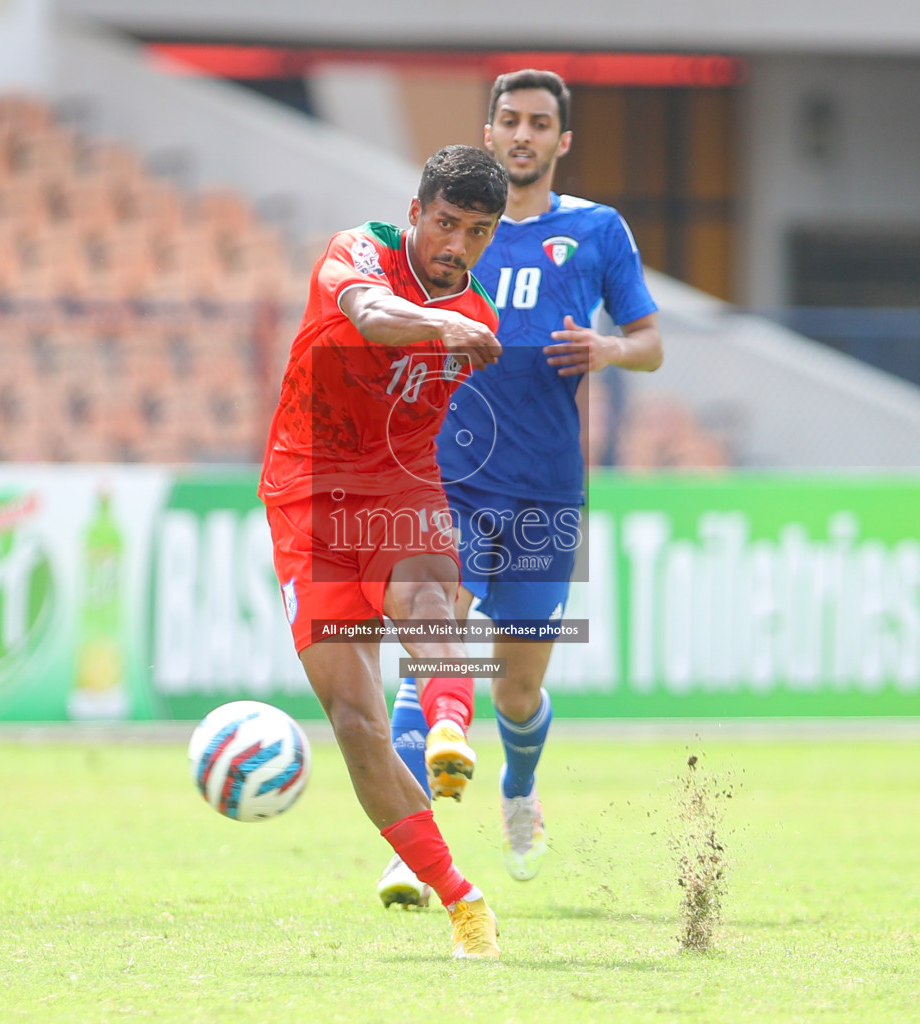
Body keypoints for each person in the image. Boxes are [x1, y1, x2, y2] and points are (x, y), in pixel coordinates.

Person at [377, 70, 664, 907]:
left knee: (518, 686)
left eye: (540, 122)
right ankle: (410, 851)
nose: (524, 134)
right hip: (452, 484)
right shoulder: (455, 231)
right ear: (491, 130)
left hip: (548, 490)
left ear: (562, 141)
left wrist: (609, 350)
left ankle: (518, 791)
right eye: (509, 120)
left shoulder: (597, 232)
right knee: (428, 655)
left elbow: (650, 341)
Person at [260, 145, 509, 958]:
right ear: (416, 212)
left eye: (477, 232)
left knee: (431, 600)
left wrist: (455, 320)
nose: (456, 245)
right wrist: (444, 321)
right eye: (445, 223)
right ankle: (459, 897)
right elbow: (369, 316)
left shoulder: (482, 317)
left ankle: (446, 723)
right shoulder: (355, 251)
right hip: (308, 492)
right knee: (357, 721)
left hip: (398, 486)